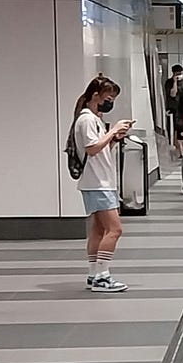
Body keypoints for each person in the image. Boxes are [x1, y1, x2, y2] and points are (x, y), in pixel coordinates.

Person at [69, 74, 133, 293]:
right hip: (98, 183)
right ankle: (103, 276)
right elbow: (92, 148)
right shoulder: (86, 119)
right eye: (109, 97)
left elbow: (101, 149)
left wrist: (114, 138)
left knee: (97, 230)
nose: (110, 102)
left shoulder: (92, 119)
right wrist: (113, 130)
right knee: (115, 230)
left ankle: (93, 273)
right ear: (95, 95)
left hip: (98, 180)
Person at [163, 64, 183, 156]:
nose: (179, 75)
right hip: (173, 110)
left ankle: (181, 151)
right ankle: (179, 151)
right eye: (178, 73)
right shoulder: (169, 83)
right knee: (174, 130)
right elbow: (173, 94)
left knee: (180, 131)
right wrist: (175, 82)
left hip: (181, 110)